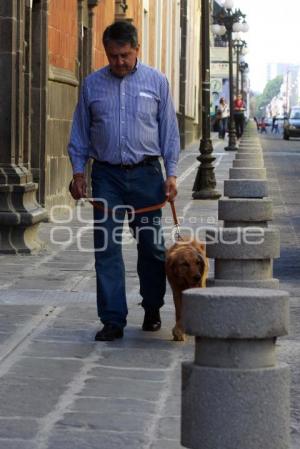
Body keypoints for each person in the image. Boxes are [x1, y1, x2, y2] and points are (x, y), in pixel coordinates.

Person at [68, 21, 180, 341]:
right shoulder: (91, 85)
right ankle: (113, 319)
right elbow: (79, 134)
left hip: (147, 175)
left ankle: (153, 307)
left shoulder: (157, 82)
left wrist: (171, 174)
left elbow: (169, 134)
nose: (119, 61)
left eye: (125, 55)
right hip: (107, 177)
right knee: (106, 247)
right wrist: (78, 172)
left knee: (152, 247)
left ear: (136, 50)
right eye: (113, 56)